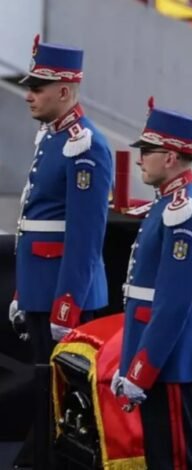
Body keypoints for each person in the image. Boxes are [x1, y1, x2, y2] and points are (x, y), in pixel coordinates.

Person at [8, 35, 112, 467]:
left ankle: (39, 462)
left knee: (64, 396)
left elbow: (85, 238)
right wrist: (22, 292)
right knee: (44, 388)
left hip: (62, 292)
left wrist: (66, 303)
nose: (28, 94)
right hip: (39, 285)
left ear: (65, 92)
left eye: (38, 87)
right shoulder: (52, 138)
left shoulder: (84, 146)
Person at [112, 99, 192, 469]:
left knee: (173, 461)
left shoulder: (183, 212)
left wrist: (142, 368)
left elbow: (172, 304)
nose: (139, 158)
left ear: (171, 157)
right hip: (157, 355)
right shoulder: (169, 204)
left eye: (147, 150)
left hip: (169, 359)